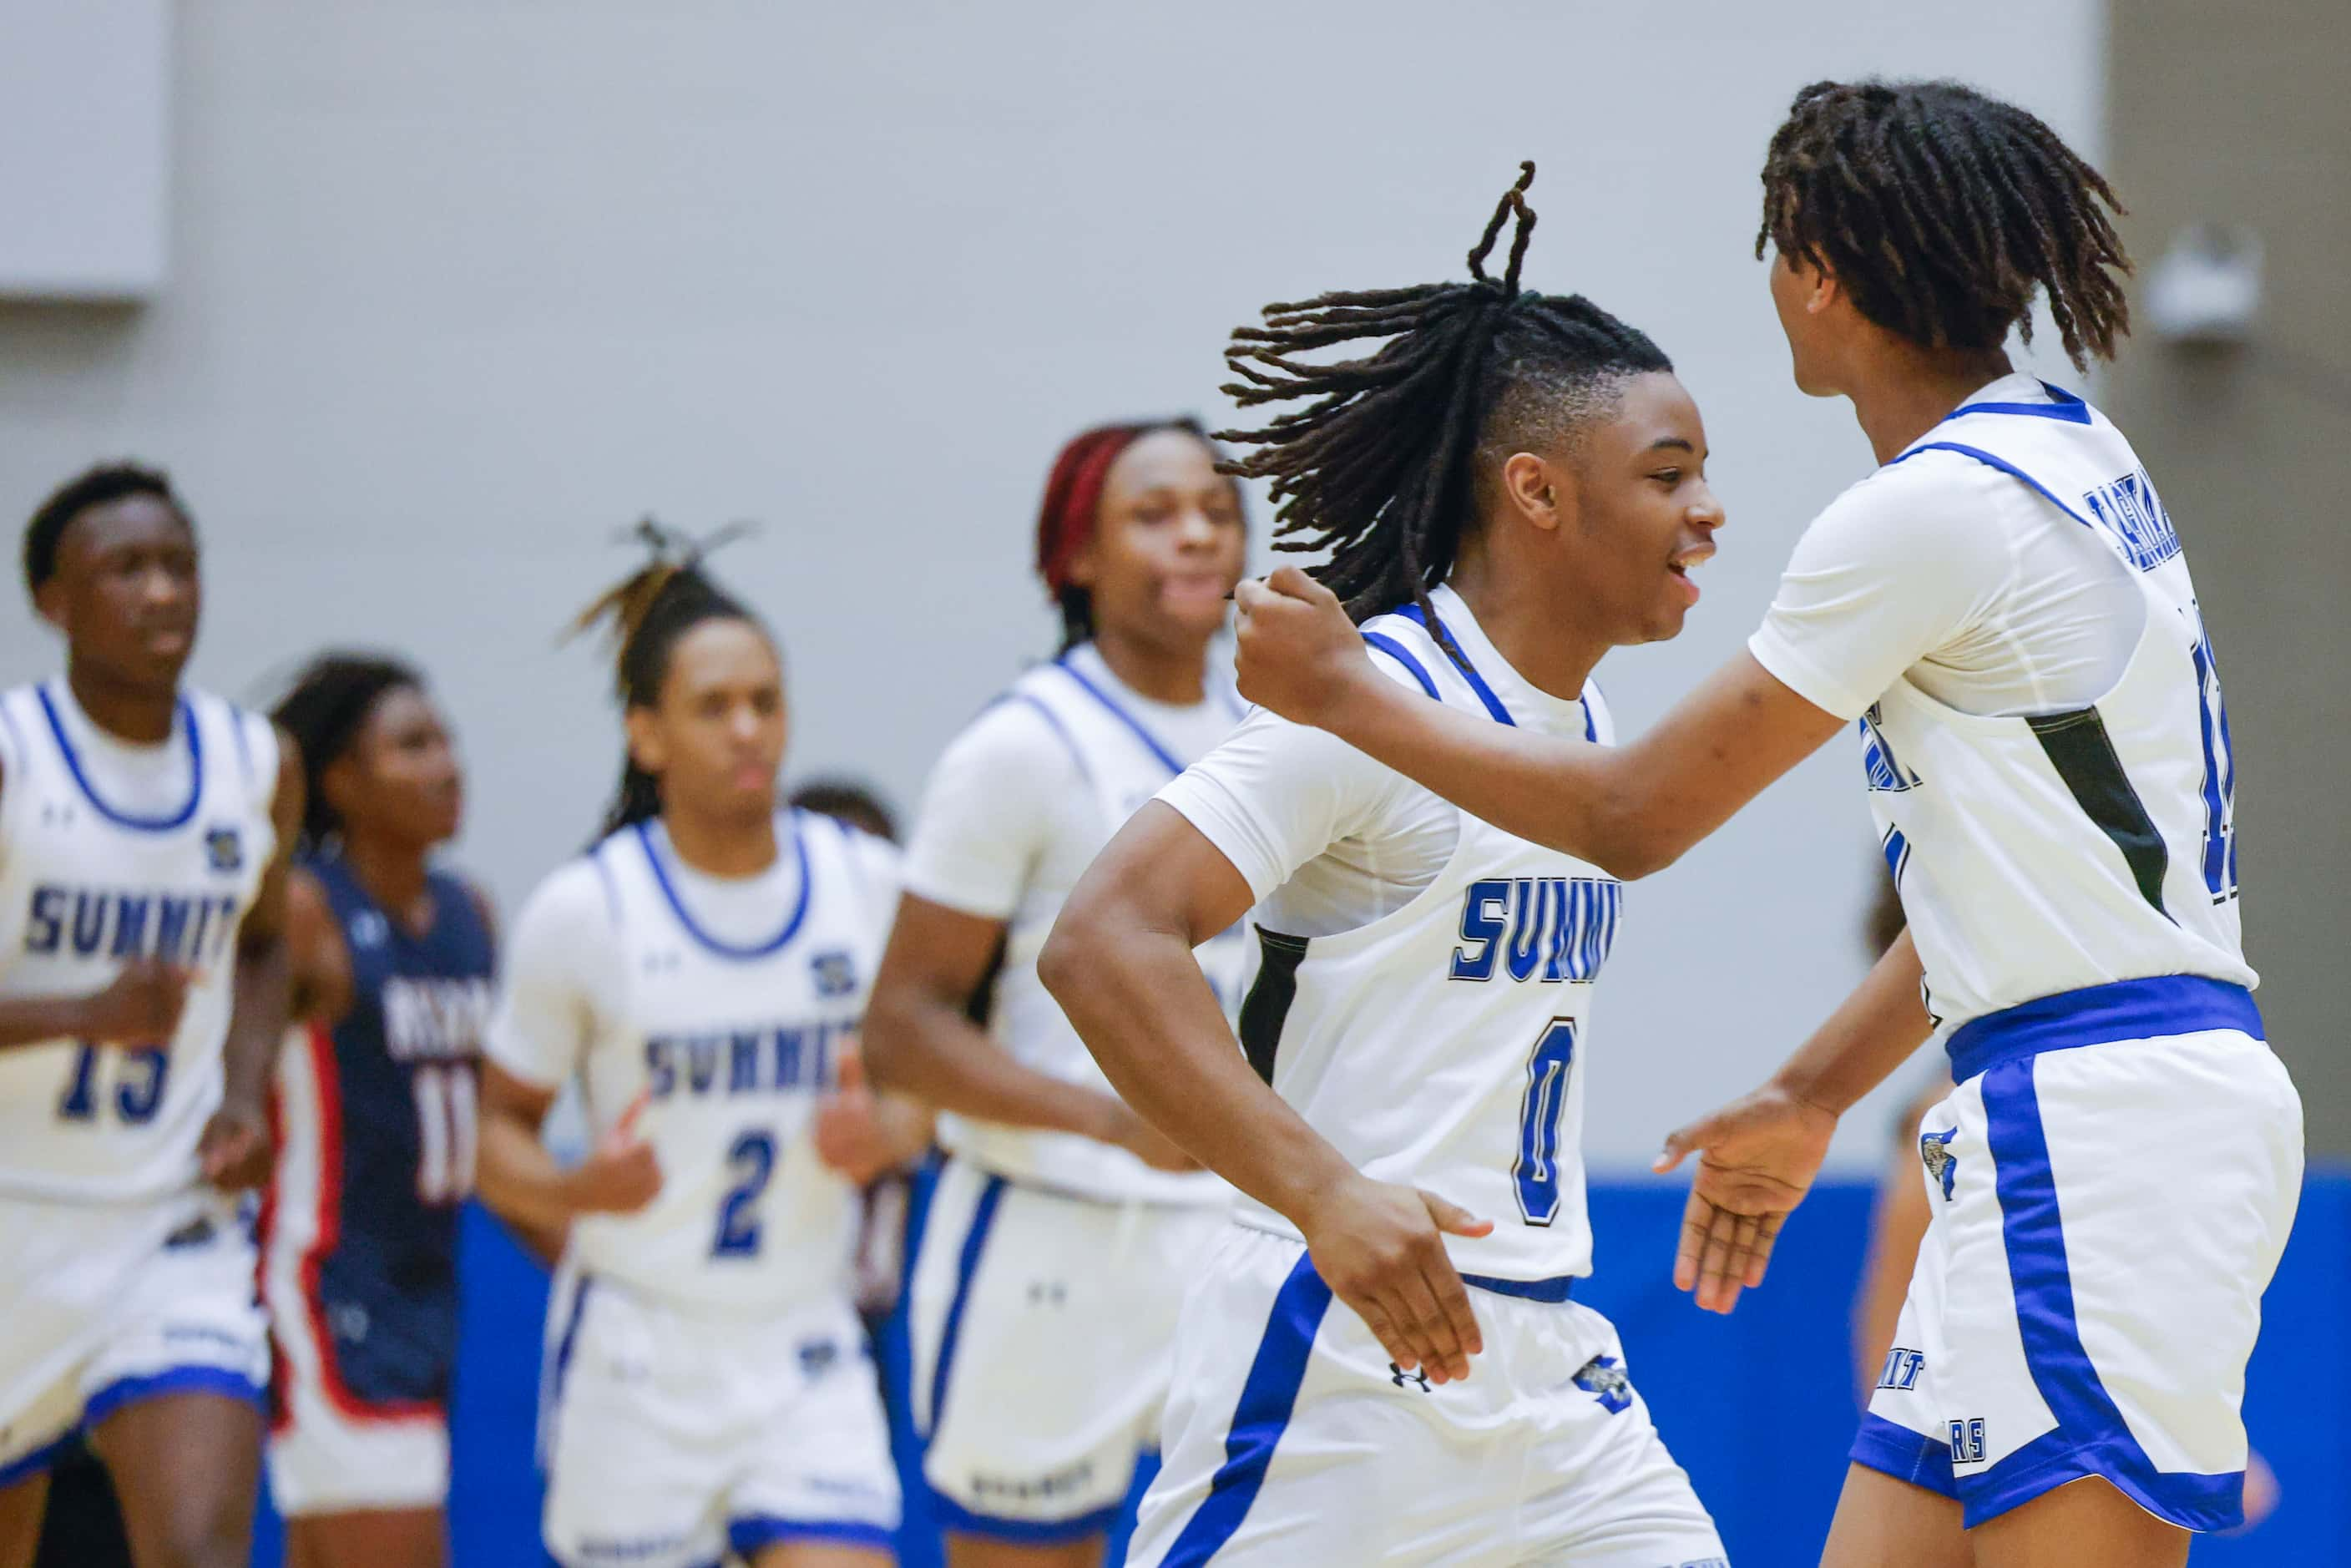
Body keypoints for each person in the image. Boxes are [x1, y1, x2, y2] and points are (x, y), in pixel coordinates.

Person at [1227, 83, 2303, 1567]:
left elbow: (1632, 814)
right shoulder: (2081, 456)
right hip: (2063, 1095)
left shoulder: (1930, 512)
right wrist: (1809, 1092)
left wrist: (1346, 692)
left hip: (2103, 1115)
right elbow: (2008, 887)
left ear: (1818, 273)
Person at [1039, 168, 1729, 1566]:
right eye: (1668, 475)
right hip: (1342, 1351)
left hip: (1548, 1361)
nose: (1708, 510)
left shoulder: (1583, 729)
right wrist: (1324, 1190)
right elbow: (1103, 937)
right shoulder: (1372, 696)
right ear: (1536, 491)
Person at [477, 526, 928, 1568]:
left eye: (765, 702)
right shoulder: (587, 911)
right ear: (646, 734)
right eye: (713, 707)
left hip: (804, 1337)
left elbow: (928, 1092)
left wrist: (891, 1133)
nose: (746, 730)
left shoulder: (863, 883)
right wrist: (573, 1190)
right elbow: (494, 1137)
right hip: (639, 1348)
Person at [862, 417, 1250, 1565]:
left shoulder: (1273, 735)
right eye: (1154, 513)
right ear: (1076, 557)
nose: (1195, 534)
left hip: (1232, 1237)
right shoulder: (1019, 748)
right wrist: (1112, 1121)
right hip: (1044, 1233)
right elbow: (901, 1028)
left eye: (1218, 511)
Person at [0, 463, 303, 1568]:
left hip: (164, 1222)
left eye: (180, 565)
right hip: (10, 1219)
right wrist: (83, 1012)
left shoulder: (254, 762)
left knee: (197, 1551)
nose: (164, 591)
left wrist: (240, 1088)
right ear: (52, 601)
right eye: (126, 568)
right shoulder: (16, 757)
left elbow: (263, 942)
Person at [260, 655, 496, 1568]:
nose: (446, 766)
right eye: (411, 746)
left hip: (432, 1275)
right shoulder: (308, 909)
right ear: (341, 784)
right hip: (331, 1281)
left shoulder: (471, 909)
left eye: (446, 742)